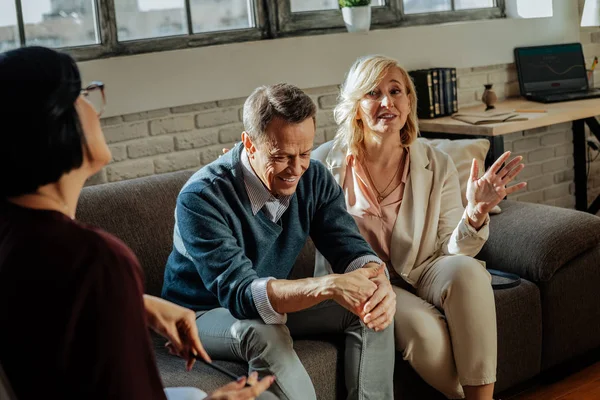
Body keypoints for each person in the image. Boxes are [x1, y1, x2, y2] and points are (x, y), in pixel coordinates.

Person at [0, 46, 274, 400]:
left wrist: (136, 303)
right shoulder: (95, 258)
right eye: (82, 95)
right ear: (53, 123)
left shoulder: (15, 232)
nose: (94, 107)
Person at [162, 83, 397, 400]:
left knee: (369, 305)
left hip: (268, 295)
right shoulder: (201, 197)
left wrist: (377, 279)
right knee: (263, 333)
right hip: (199, 313)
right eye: (282, 156)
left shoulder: (313, 177)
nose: (297, 168)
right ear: (249, 144)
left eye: (304, 153)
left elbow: (350, 249)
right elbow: (242, 295)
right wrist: (325, 286)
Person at [312, 55, 527, 400]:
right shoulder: (323, 164)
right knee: (422, 331)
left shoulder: (434, 162)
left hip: (426, 267)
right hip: (369, 282)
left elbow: (452, 250)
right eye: (372, 93)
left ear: (409, 101)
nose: (387, 102)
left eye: (396, 91)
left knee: (467, 271)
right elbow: (281, 208)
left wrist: (475, 212)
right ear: (355, 107)